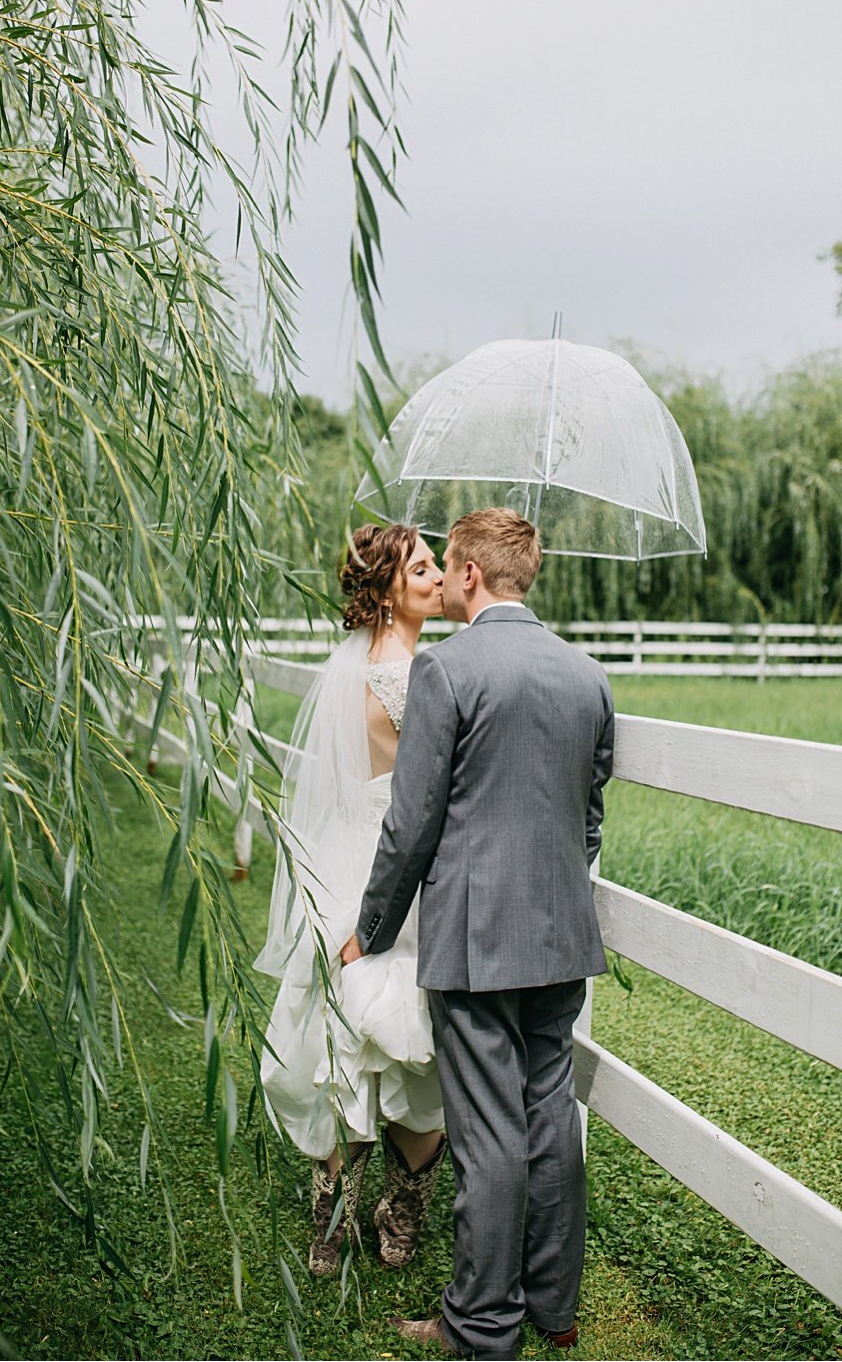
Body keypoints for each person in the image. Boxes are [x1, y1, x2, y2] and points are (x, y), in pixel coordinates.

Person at [341, 508, 615, 1359]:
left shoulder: (449, 673)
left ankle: (482, 1323)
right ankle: (553, 1308)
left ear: (468, 574)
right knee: (549, 1118)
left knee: (490, 1137)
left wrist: (371, 928)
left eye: (448, 565)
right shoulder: (587, 673)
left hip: (474, 941)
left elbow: (412, 824)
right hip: (561, 935)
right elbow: (590, 816)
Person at [255, 522, 452, 1276]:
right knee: (407, 1040)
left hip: (344, 860)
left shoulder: (352, 667)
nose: (439, 576)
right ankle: (399, 1222)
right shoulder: (417, 676)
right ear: (391, 587)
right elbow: (432, 795)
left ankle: (330, 1231)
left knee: (339, 1042)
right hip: (397, 872)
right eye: (425, 567)